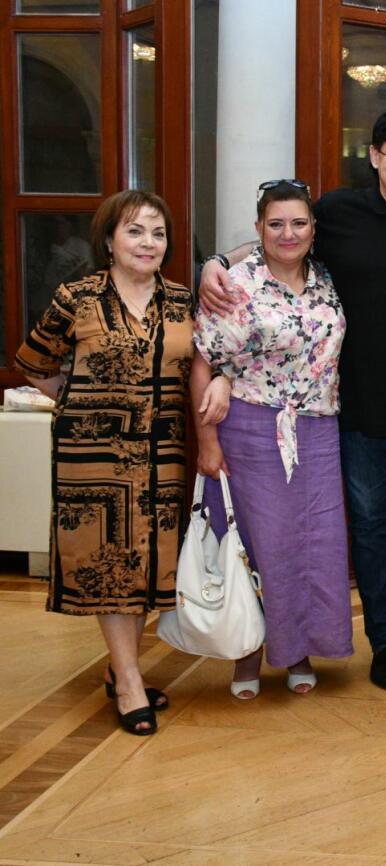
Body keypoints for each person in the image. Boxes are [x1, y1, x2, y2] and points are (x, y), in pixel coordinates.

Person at [200, 108, 386, 691]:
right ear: (374, 156)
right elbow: (280, 238)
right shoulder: (339, 212)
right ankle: (384, 640)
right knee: (370, 528)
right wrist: (216, 263)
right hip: (353, 410)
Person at [16, 190, 191, 736]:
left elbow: (202, 366)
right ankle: (130, 681)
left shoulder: (181, 300)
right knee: (109, 566)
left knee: (146, 566)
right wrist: (81, 402)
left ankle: (122, 670)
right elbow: (35, 363)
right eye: (135, 231)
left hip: (163, 455)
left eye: (158, 233)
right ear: (109, 240)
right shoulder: (78, 297)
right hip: (93, 459)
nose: (148, 243)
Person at [192, 179, 353, 699]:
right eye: (276, 224)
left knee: (312, 547)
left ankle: (297, 650)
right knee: (258, 544)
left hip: (318, 430)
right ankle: (247, 655)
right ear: (258, 228)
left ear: (313, 228)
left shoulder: (326, 277)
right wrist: (207, 442)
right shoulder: (236, 284)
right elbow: (203, 362)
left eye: (298, 223)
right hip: (250, 428)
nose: (289, 233)